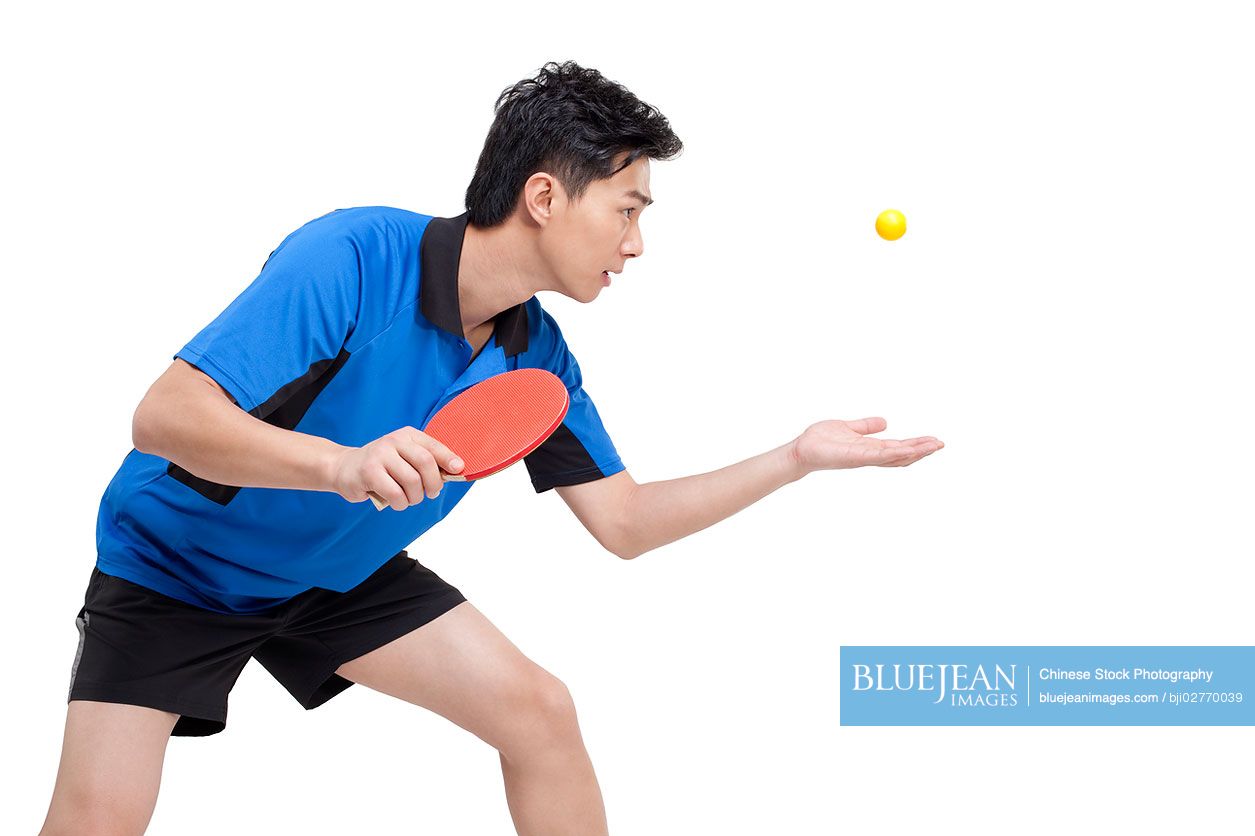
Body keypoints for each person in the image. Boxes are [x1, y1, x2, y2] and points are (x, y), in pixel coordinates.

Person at [40, 59, 944, 836]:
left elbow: (624, 522)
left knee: (540, 713)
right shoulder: (354, 255)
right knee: (97, 821)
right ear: (544, 196)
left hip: (336, 577)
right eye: (627, 210)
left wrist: (792, 458)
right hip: (178, 568)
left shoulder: (535, 356)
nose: (636, 245)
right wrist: (340, 465)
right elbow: (164, 415)